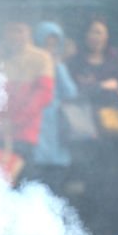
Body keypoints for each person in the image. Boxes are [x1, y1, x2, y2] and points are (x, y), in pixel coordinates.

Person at [66, 16, 118, 235]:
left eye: (100, 33)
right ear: (85, 36)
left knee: (110, 186)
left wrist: (94, 88)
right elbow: (71, 92)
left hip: (111, 133)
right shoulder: (74, 63)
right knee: (87, 186)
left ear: (107, 37)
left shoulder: (117, 61)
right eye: (92, 32)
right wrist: (101, 87)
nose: (96, 37)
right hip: (83, 132)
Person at [0, 20, 55, 165]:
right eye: (11, 30)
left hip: (23, 133)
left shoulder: (41, 58)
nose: (14, 35)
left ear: (28, 33)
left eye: (19, 30)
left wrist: (15, 121)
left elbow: (44, 95)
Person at [27, 21, 78, 196]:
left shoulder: (58, 64)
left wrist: (58, 65)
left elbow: (71, 92)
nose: (50, 45)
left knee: (55, 185)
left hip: (57, 121)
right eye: (47, 41)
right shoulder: (32, 62)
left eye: (54, 42)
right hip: (35, 116)